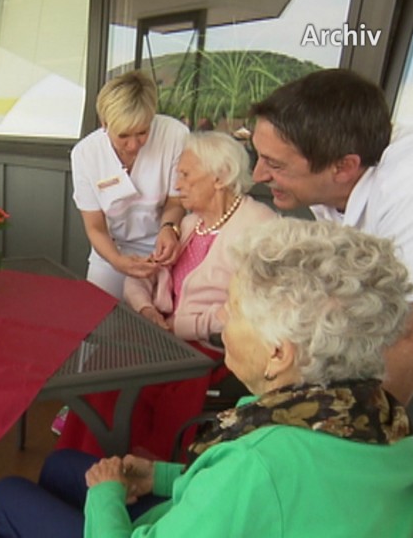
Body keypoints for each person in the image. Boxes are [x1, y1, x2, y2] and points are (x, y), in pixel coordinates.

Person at [0, 219, 413, 538]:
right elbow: (258, 499)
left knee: (9, 495)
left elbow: (253, 484)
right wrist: (161, 477)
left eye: (233, 309)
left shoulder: (258, 462)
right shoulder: (380, 414)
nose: (220, 317)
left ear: (278, 353)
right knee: (63, 468)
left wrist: (106, 499)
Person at [249, 68, 413, 445]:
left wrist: (357, 450)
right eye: (258, 157)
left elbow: (411, 335)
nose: (258, 174)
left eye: (275, 165)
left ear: (344, 166)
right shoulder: (333, 186)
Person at [57, 132, 278, 460]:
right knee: (102, 371)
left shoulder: (259, 226)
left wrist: (180, 327)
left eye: (186, 175)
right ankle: (83, 466)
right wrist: (148, 310)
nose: (178, 185)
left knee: (132, 387)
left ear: (219, 177)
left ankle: (135, 470)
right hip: (162, 338)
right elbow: (141, 278)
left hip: (212, 348)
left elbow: (249, 310)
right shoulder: (188, 224)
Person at [71, 70, 188, 298]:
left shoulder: (174, 135)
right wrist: (117, 260)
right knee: (97, 319)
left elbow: (175, 201)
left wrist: (169, 229)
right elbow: (95, 226)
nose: (134, 145)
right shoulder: (85, 154)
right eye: (123, 135)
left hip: (164, 246)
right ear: (105, 124)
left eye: (142, 132)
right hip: (111, 249)